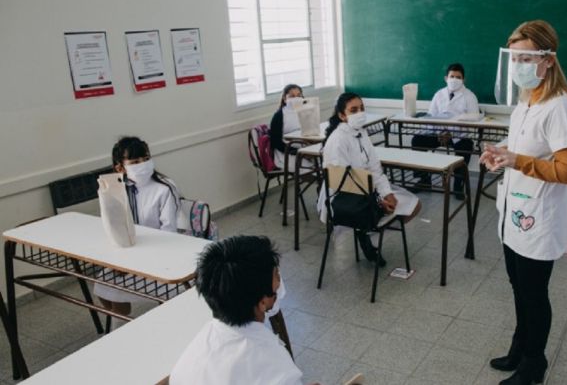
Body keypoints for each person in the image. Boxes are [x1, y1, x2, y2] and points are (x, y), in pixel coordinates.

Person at [480, 20, 567, 385]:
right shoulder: (527, 101)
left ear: (548, 60)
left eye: (526, 58)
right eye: (514, 58)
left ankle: (533, 365)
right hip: (515, 212)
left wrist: (517, 160)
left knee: (534, 294)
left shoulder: (559, 106)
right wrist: (500, 152)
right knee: (518, 287)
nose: (518, 66)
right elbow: (524, 147)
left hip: (539, 218)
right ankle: (519, 348)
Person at [170, 236, 319, 385]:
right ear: (262, 302)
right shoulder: (279, 369)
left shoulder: (187, 361)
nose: (280, 281)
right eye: (276, 275)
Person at [322, 92, 422, 266]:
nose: (360, 113)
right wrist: (377, 200)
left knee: (414, 205)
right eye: (354, 110)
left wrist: (386, 193)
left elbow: (374, 168)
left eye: (362, 108)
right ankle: (365, 231)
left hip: (367, 190)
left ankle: (365, 231)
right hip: (344, 199)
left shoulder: (361, 132)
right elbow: (345, 183)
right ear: (342, 115)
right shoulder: (338, 139)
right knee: (390, 211)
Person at [94, 136, 181, 320]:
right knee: (101, 284)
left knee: (116, 289)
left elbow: (169, 234)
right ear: (120, 167)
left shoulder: (164, 188)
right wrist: (121, 260)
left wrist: (137, 261)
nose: (143, 164)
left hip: (160, 257)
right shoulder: (115, 189)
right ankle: (122, 324)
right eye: (135, 162)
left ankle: (122, 325)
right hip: (128, 255)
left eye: (146, 159)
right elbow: (113, 228)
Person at [411, 63, 479, 197]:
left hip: (459, 135)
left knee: (466, 146)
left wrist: (451, 133)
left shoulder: (470, 96)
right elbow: (431, 116)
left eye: (458, 77)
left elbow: (473, 121)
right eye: (452, 76)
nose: (454, 79)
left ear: (463, 80)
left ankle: (458, 185)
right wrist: (440, 133)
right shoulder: (439, 94)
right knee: (417, 141)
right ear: (446, 78)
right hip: (439, 134)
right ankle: (424, 180)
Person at [270, 84, 304, 171]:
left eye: (299, 95)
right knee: (311, 167)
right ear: (285, 99)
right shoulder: (279, 116)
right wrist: (296, 151)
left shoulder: (305, 111)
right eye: (292, 96)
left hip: (305, 149)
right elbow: (276, 142)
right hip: (286, 153)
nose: (296, 98)